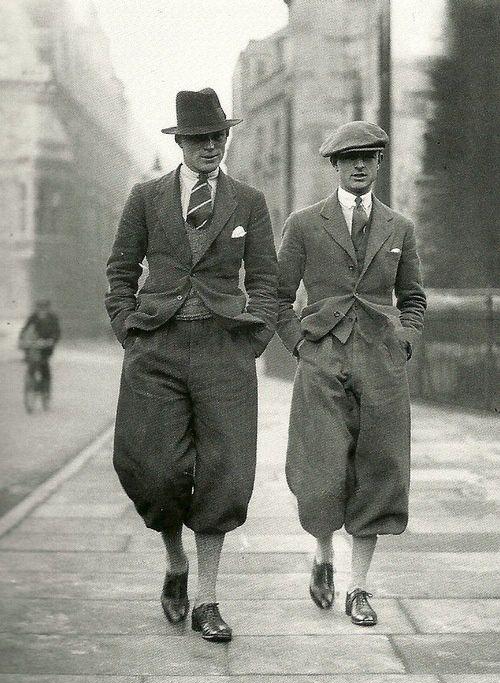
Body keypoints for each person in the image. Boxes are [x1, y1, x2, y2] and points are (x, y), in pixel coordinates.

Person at [105, 88, 277, 642]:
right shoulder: (147, 197)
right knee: (154, 471)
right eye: (199, 138)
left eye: (218, 137)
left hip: (225, 351)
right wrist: (130, 333)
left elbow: (268, 282)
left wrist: (253, 339)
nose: (210, 147)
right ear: (180, 141)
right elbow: (121, 273)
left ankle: (208, 596)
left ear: (227, 138)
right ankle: (174, 560)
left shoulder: (248, 201)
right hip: (157, 349)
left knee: (225, 475)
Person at [277, 121, 426, 626]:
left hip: (382, 365)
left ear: (379, 163)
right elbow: (278, 295)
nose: (359, 165)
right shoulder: (303, 224)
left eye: (368, 157)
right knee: (320, 470)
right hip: (322, 360)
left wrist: (404, 337)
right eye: (349, 158)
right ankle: (322, 556)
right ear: (335, 166)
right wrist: (298, 343)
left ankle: (358, 587)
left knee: (379, 471)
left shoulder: (399, 227)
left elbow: (413, 298)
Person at [18, 299, 61, 397]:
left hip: (47, 345)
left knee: (44, 364)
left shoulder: (52, 318)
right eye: (40, 308)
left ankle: (46, 387)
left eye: (44, 308)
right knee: (31, 361)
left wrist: (52, 340)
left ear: (48, 308)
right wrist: (22, 339)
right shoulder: (33, 317)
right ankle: (31, 380)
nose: (42, 310)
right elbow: (25, 328)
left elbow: (57, 331)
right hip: (35, 343)